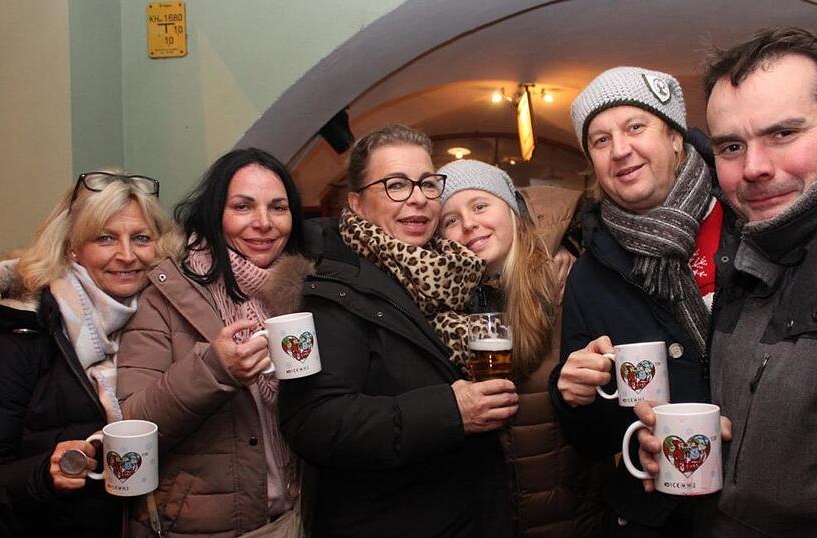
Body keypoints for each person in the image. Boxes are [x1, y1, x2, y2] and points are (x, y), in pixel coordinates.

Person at [632, 27, 817, 537]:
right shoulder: (752, 244)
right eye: (731, 145)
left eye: (783, 133)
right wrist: (706, 455)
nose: (754, 168)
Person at [278, 124, 519, 538]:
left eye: (427, 183)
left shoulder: (453, 272)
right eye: (395, 185)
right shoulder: (329, 292)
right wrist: (448, 411)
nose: (418, 198)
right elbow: (312, 421)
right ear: (357, 202)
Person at [548, 66, 731, 537]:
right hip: (653, 517)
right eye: (600, 140)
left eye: (635, 127)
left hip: (764, 508)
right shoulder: (591, 274)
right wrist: (572, 395)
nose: (620, 150)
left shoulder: (748, 222)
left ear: (674, 137)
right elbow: (591, 441)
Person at [0, 171, 178, 536]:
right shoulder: (16, 333)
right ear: (73, 246)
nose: (126, 255)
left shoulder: (170, 323)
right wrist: (44, 475)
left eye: (140, 238)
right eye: (105, 238)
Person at [116, 148, 312, 537]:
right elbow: (133, 426)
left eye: (278, 208)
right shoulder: (167, 294)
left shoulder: (307, 292)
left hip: (299, 516)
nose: (263, 223)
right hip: (205, 526)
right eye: (243, 206)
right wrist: (215, 369)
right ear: (214, 214)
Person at [437, 158, 605, 537]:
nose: (468, 224)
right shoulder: (438, 305)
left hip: (573, 517)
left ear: (511, 210)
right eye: (450, 219)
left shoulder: (566, 283)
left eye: (481, 206)